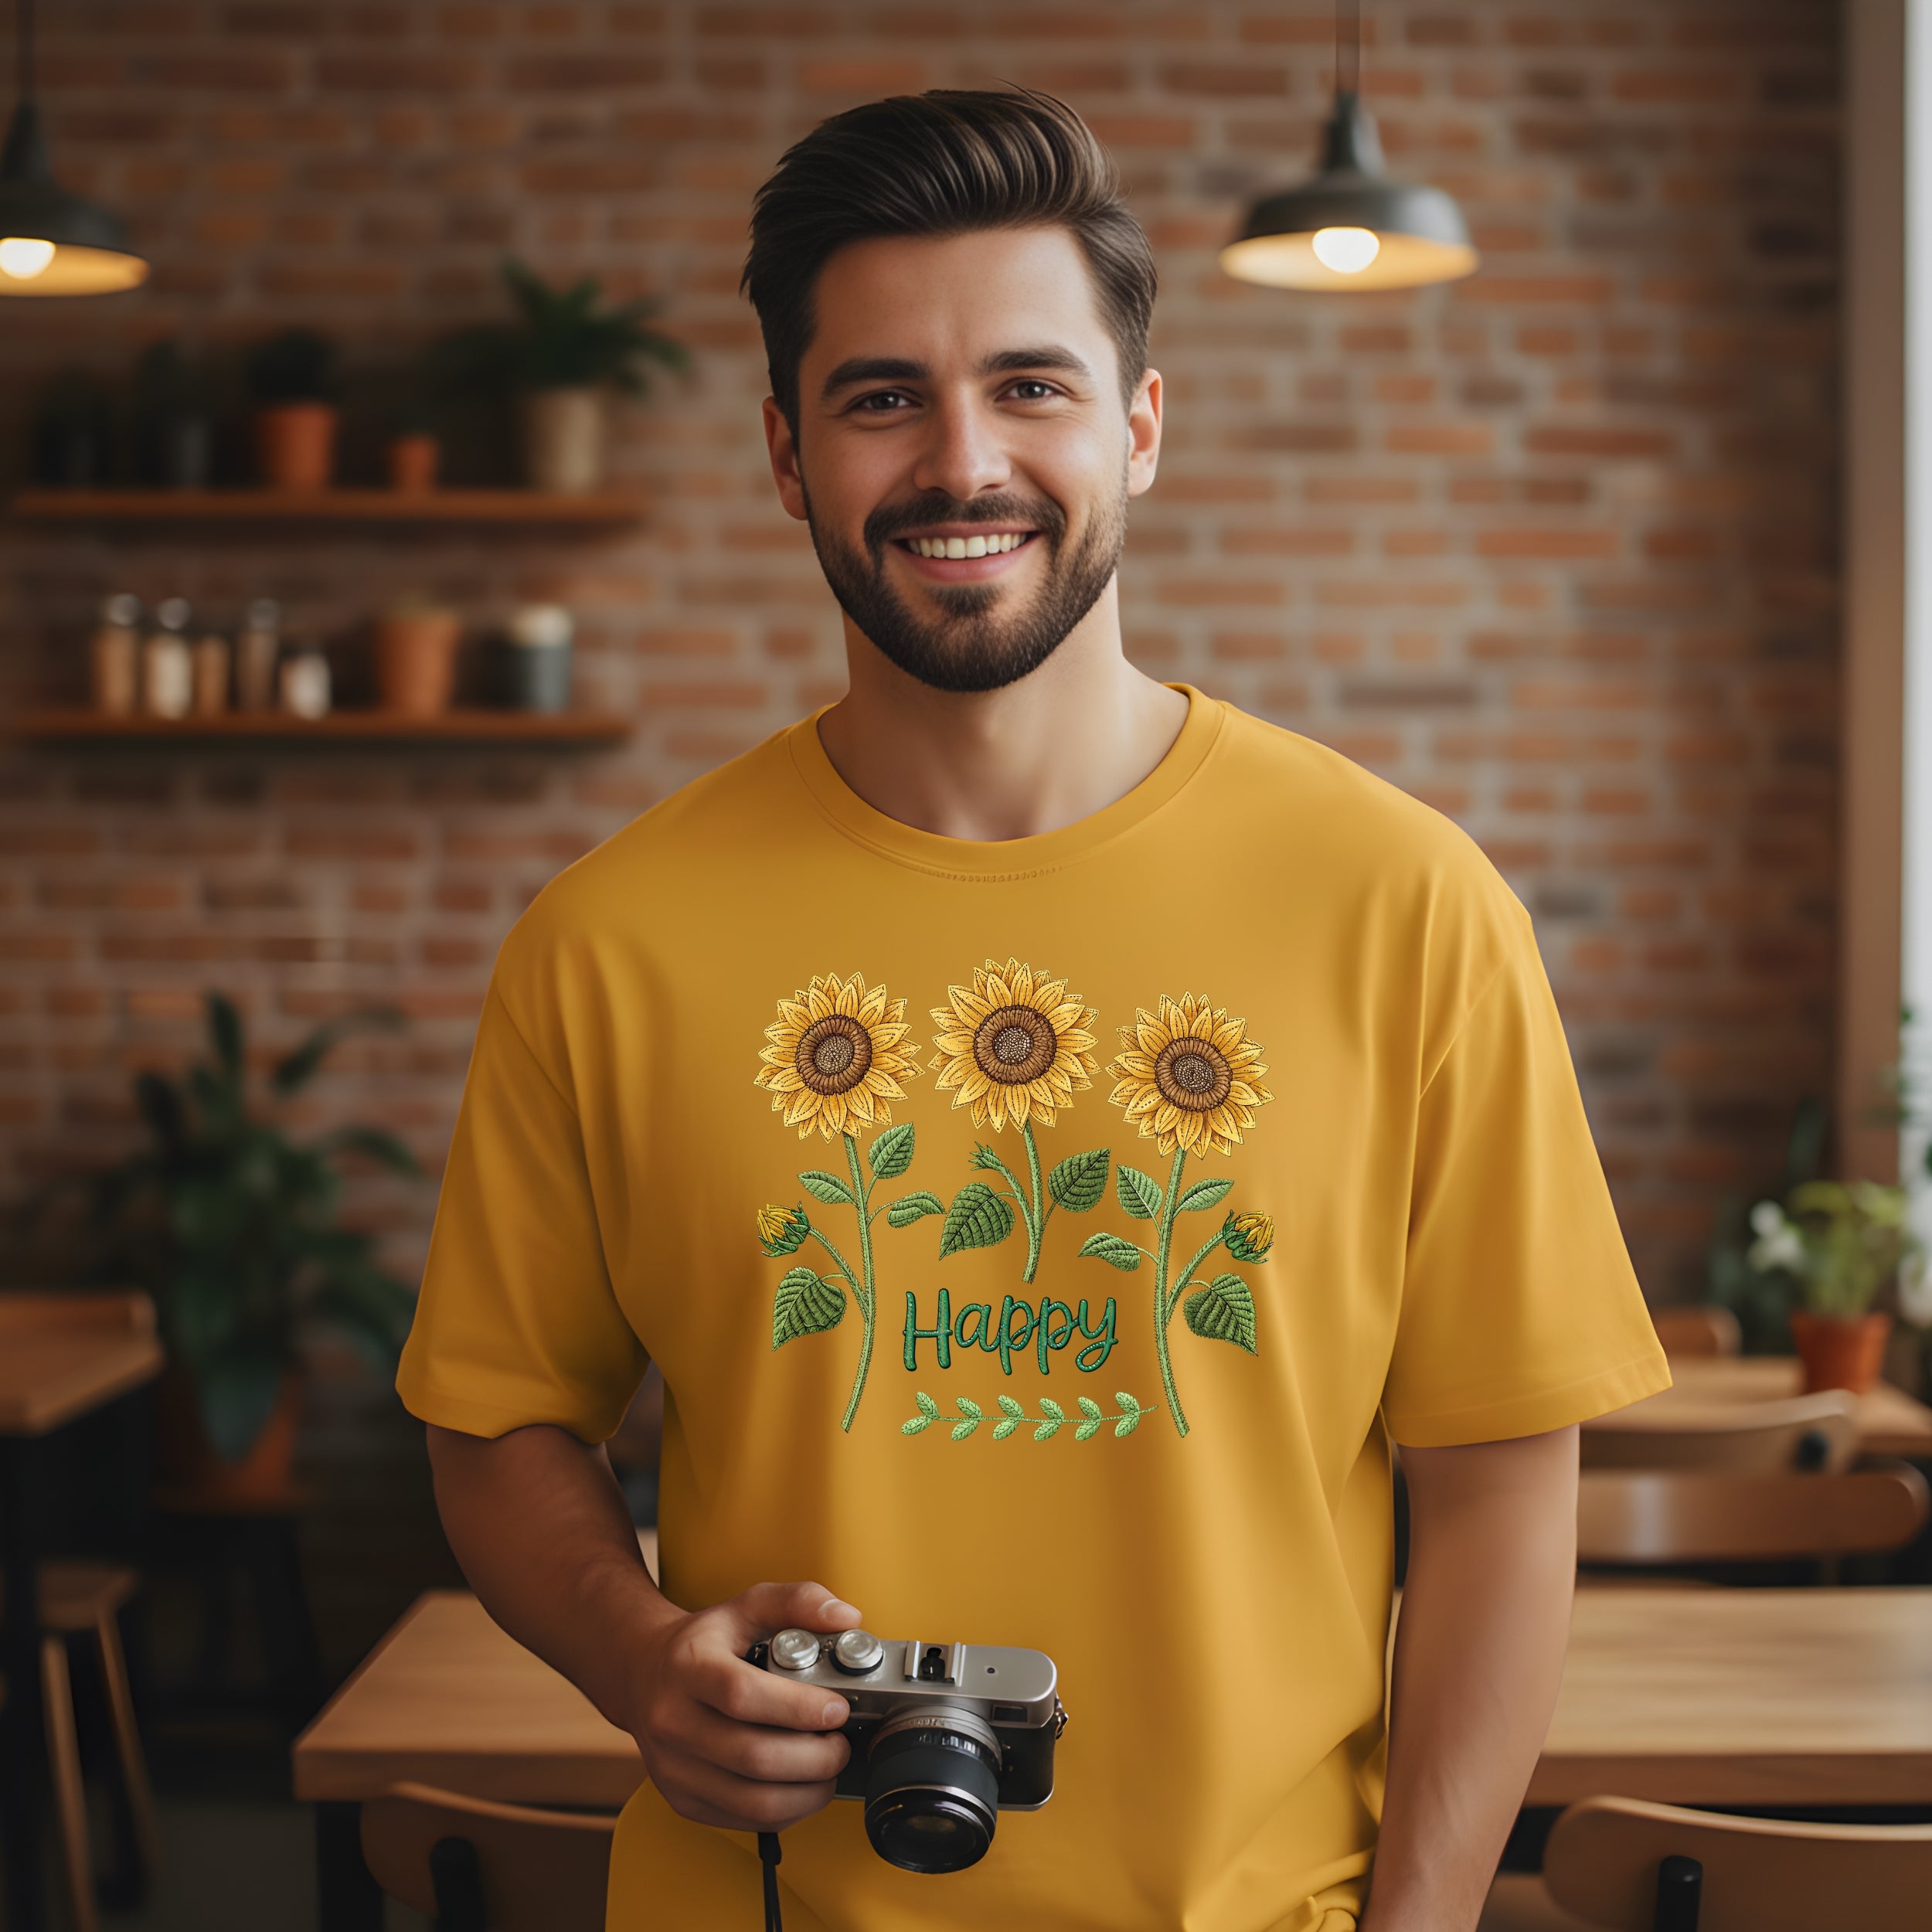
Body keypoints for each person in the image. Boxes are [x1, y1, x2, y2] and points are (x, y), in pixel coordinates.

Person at [400, 88, 1671, 1932]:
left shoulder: (1405, 906)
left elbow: (1492, 1492)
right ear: (784, 453)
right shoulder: (608, 939)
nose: (959, 461)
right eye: (880, 397)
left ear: (1138, 427)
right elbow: (496, 1422)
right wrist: (634, 1653)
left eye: (1029, 384)